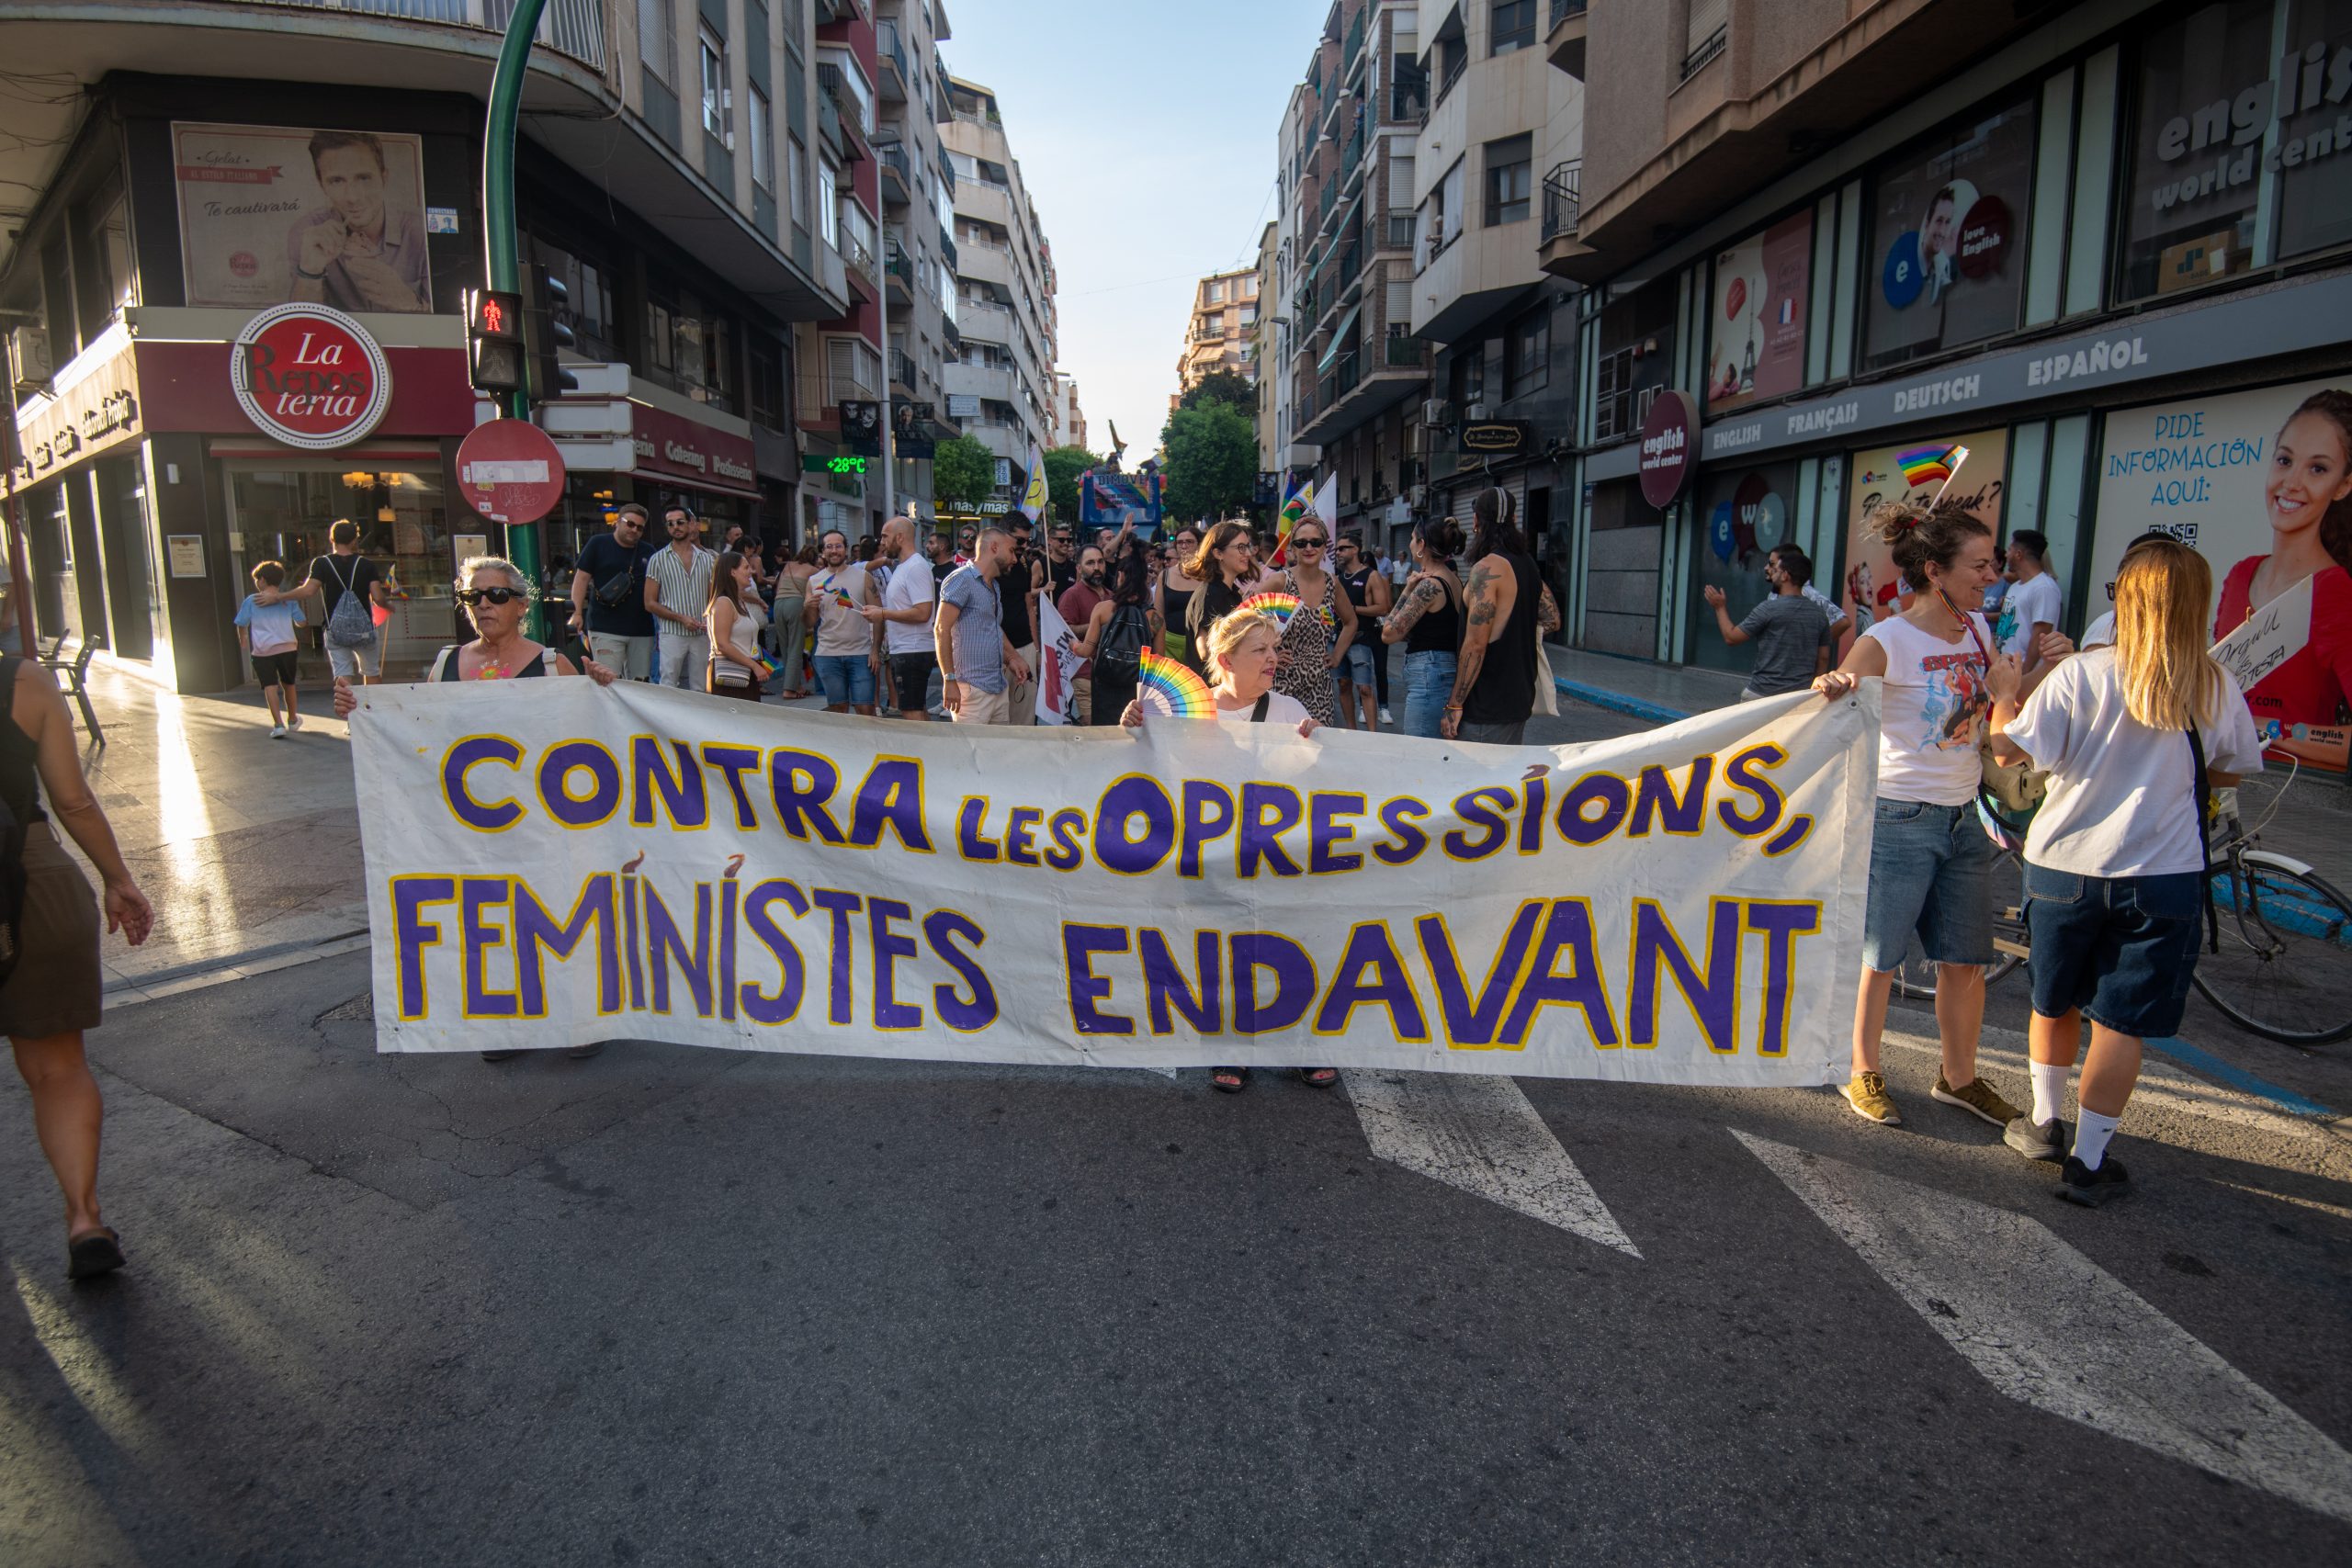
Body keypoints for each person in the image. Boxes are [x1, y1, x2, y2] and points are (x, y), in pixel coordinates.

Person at [1983, 539, 2260, 1205]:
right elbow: (2228, 767)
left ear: (2126, 602)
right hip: (2162, 872)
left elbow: (2009, 749)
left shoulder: (2082, 672)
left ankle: (2045, 1121)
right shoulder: (2214, 683)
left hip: (2063, 864)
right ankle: (2089, 1158)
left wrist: (2003, 694)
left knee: (2052, 999)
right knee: (2121, 1021)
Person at [1813, 497, 2039, 1130]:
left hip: (1964, 817)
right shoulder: (1888, 640)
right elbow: (1833, 702)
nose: (1990, 575)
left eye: (1993, 563)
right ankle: (1861, 1068)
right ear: (1935, 572)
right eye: (1978, 564)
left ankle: (1959, 1078)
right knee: (1879, 956)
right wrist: (1830, 686)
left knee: (1965, 958)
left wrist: (2019, 684)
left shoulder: (1978, 630)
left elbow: (1992, 724)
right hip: (1899, 816)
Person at [336, 556, 618, 1059]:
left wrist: (603, 691)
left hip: (543, 822)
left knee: (557, 916)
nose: (483, 605)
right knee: (493, 920)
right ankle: (507, 1024)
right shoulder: (447, 663)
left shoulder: (554, 663)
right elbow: (417, 731)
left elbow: (594, 737)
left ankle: (579, 1020)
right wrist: (363, 712)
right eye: (472, 597)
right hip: (474, 829)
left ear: (521, 604)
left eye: (496, 596)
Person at [1118, 608, 1324, 1094]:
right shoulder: (1187, 709)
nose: (1273, 658)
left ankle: (1301, 1046)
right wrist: (1133, 727)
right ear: (1226, 658)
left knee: (1291, 944)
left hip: (1277, 855)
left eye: (1274, 649)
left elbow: (1321, 783)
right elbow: (1141, 771)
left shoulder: (1292, 711)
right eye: (1260, 650)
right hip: (1215, 855)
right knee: (1225, 950)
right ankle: (1230, 1045)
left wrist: (1319, 747)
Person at [2, 647, 156, 1279]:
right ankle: (84, 1218)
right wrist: (117, 878)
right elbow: (72, 799)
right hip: (27, 875)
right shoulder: (24, 678)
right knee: (58, 1066)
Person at [2213, 389, 2352, 767]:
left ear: (2343, 486)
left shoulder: (2336, 593)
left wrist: (2269, 730)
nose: (2292, 482)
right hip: (2218, 785)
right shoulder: (2242, 573)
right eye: (2285, 460)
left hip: (2293, 803)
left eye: (2318, 469)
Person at [1442, 488, 1561, 744]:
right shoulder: (1528, 564)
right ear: (1514, 520)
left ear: (1476, 521)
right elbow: (1553, 620)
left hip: (1486, 706)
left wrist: (1455, 705)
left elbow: (1475, 645)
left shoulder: (1486, 570)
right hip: (1518, 699)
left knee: (1477, 782)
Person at [286, 130, 428, 314]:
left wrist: (410, 302)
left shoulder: (420, 230)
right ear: (322, 185)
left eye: (363, 178)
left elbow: (453, 326)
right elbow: (301, 324)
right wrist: (310, 272)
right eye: (337, 181)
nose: (352, 197)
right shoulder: (307, 232)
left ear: (384, 178)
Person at [1249, 518, 1355, 728]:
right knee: (1280, 750)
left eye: (1316, 542)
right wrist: (1269, 654)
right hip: (1281, 682)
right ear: (1292, 549)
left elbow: (1351, 622)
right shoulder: (1280, 581)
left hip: (1319, 685)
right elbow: (1246, 620)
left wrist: (1336, 656)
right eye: (1301, 543)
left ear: (1325, 547)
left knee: (1317, 748)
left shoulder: (1332, 583)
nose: (1309, 548)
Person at [1702, 544, 1835, 700]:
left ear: (1785, 575)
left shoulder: (1768, 609)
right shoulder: (1819, 614)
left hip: (1762, 694)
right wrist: (1813, 692)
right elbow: (1823, 657)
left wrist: (1719, 607)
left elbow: (1731, 637)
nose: (1772, 573)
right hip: (1799, 697)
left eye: (1776, 570)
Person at [267, 519, 390, 684]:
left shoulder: (322, 564)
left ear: (332, 539)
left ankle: (347, 709)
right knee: (372, 671)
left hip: (335, 629)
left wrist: (279, 596)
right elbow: (378, 597)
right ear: (354, 540)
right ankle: (371, 708)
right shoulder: (366, 565)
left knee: (343, 672)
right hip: (364, 629)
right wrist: (387, 606)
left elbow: (308, 590)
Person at [1379, 515, 1466, 739]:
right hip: (1443, 669)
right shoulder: (1453, 580)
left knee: (1419, 753)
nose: (1409, 544)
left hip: (1429, 674)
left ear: (1422, 545)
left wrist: (1407, 591)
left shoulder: (1429, 585)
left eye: (1412, 538)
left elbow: (1388, 634)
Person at [935, 525, 1031, 724]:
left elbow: (992, 627)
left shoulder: (994, 585)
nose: (1015, 559)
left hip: (997, 686)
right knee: (969, 753)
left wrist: (1012, 658)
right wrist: (949, 679)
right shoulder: (961, 579)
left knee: (998, 753)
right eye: (1011, 551)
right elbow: (941, 629)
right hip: (971, 690)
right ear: (994, 547)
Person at [1069, 548, 1159, 728]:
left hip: (1105, 687)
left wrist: (1073, 644)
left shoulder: (1102, 609)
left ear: (1120, 576)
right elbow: (1158, 663)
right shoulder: (1156, 618)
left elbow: (1085, 650)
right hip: (1137, 691)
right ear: (1145, 579)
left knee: (1106, 735)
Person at [570, 504, 660, 681]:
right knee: (608, 681)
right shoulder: (598, 543)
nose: (634, 530)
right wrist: (577, 611)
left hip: (642, 629)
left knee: (640, 683)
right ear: (617, 522)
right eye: (630, 524)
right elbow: (581, 579)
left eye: (640, 528)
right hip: (605, 627)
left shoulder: (648, 551)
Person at [863, 516, 939, 721]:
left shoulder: (915, 567)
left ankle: (922, 752)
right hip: (907, 649)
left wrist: (883, 613)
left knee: (911, 712)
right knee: (916, 708)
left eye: (885, 536)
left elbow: (923, 612)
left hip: (913, 650)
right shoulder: (904, 566)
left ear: (900, 537)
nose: (882, 542)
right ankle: (929, 751)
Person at [808, 528, 881, 716]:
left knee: (865, 709)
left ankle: (870, 746)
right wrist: (807, 607)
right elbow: (809, 622)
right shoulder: (814, 581)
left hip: (861, 654)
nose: (834, 551)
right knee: (837, 711)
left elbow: (879, 615)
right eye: (829, 547)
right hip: (827, 655)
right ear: (823, 552)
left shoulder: (863, 576)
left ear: (846, 549)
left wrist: (875, 650)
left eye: (838, 546)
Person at [646, 505, 717, 689]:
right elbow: (650, 602)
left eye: (680, 522)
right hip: (672, 632)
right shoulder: (658, 559)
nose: (675, 527)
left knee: (701, 685)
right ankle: (668, 719)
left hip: (701, 632)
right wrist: (680, 618)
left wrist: (710, 620)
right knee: (668, 682)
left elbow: (713, 597)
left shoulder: (707, 559)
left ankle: (697, 718)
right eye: (670, 524)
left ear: (691, 525)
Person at [233, 560, 307, 736]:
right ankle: (292, 719)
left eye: (257, 579)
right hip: (288, 647)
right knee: (289, 684)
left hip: (262, 650)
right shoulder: (287, 600)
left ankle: (278, 725)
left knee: (270, 686)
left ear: (263, 580)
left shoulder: (252, 601)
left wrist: (243, 638)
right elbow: (302, 622)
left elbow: (241, 623)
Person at [1333, 532, 1392, 731]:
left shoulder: (1371, 575)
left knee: (1365, 688)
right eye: (1337, 549)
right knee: (1343, 685)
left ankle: (1372, 735)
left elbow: (1383, 608)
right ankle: (1351, 731)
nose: (1338, 552)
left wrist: (1352, 609)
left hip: (1361, 640)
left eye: (1342, 548)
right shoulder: (1338, 579)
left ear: (1355, 550)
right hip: (1339, 639)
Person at [1182, 521, 1258, 667]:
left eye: (1247, 546)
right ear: (1218, 553)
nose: (1248, 553)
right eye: (1240, 548)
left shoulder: (1233, 594)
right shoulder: (1209, 594)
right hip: (1211, 687)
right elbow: (1204, 651)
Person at [1998, 528, 2064, 685]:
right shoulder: (2015, 586)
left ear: (2019, 554)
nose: (2006, 555)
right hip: (2005, 667)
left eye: (2009, 550)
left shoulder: (2044, 588)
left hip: (2023, 675)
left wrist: (2025, 672)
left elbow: (2040, 633)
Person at [1056, 542, 1111, 725]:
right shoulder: (1071, 595)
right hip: (1083, 674)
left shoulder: (1112, 595)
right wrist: (1097, 624)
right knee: (1089, 731)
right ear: (1079, 568)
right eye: (1090, 563)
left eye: (1100, 562)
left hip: (1110, 676)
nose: (1097, 567)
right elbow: (1064, 631)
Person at [706, 550, 771, 703]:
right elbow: (722, 644)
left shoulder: (739, 601)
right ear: (732, 572)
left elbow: (745, 640)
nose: (752, 572)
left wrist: (763, 663)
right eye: (746, 568)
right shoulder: (724, 602)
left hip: (745, 675)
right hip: (730, 677)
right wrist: (754, 666)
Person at [1001, 516, 1046, 725]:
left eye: (1028, 540)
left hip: (1024, 647)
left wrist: (1035, 651)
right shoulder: (986, 570)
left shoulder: (1025, 565)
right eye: (1019, 541)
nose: (1024, 546)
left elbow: (1029, 608)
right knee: (998, 719)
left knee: (1025, 717)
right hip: (996, 652)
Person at [1157, 524, 1204, 666]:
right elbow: (1158, 615)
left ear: (1199, 545)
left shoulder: (1209, 575)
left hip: (1200, 646)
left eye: (1189, 542)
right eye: (1180, 542)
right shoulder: (1164, 576)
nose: (1184, 546)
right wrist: (1158, 647)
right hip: (1169, 646)